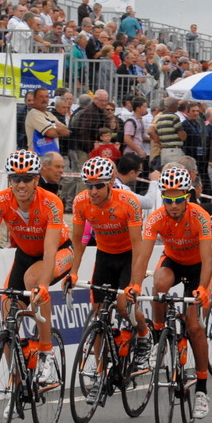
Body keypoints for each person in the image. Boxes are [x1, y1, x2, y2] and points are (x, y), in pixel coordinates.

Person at [126, 166, 212, 419]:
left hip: (197, 266)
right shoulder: (156, 217)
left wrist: (203, 289)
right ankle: (158, 334)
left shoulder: (200, 216)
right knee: (159, 284)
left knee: (195, 326)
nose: (172, 204)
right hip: (173, 261)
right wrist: (134, 285)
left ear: (187, 196)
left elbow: (208, 260)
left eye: (178, 199)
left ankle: (202, 389)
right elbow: (142, 257)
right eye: (167, 199)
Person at [66, 157, 152, 402]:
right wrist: (72, 272)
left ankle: (144, 335)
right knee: (98, 313)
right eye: (89, 185)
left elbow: (138, 246)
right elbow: (78, 243)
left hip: (128, 256)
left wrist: (134, 283)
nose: (92, 191)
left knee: (125, 306)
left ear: (111, 183)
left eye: (98, 186)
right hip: (105, 256)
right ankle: (100, 374)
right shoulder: (82, 201)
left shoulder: (128, 202)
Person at [0, 150, 74, 385]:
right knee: (8, 310)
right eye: (16, 178)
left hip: (58, 252)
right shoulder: (0, 201)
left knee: (33, 281)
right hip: (26, 255)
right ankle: (16, 382)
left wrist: (43, 285)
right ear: (9, 179)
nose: (21, 184)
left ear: (36, 179)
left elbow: (49, 249)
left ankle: (46, 353)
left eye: (27, 178)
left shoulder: (51, 202)